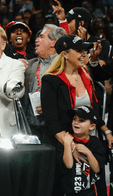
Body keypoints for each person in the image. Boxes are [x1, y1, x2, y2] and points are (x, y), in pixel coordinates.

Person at [41, 34, 113, 196]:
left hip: (91, 143)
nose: (84, 54)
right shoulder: (51, 81)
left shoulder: (87, 74)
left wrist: (106, 131)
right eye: (79, 50)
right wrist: (72, 147)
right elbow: (51, 122)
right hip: (65, 147)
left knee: (94, 189)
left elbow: (91, 112)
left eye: (85, 51)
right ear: (64, 54)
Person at [22, 24, 67, 142]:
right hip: (30, 126)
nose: (36, 40)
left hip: (55, 127)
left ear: (53, 42)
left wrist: (52, 106)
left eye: (41, 37)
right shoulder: (29, 65)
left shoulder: (65, 66)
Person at [60, 106, 105, 195]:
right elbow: (68, 165)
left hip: (89, 192)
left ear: (92, 126)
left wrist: (88, 153)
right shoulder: (66, 140)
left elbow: (97, 169)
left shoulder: (96, 143)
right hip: (68, 192)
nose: (76, 123)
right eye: (74, 119)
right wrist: (67, 144)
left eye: (81, 120)